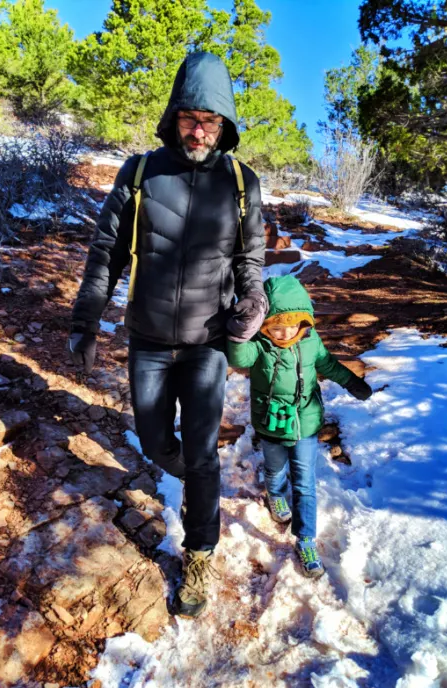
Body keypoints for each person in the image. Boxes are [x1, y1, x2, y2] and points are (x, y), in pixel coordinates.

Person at [68, 52, 267, 617]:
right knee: (157, 443)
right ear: (174, 117)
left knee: (200, 451)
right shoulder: (139, 173)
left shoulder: (241, 183)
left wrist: (252, 300)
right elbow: (105, 252)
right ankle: (195, 472)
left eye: (209, 119)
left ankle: (200, 549)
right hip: (149, 340)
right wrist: (85, 322)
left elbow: (251, 261)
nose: (199, 129)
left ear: (224, 122)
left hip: (207, 343)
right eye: (189, 117)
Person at [228, 275, 372, 578]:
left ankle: (305, 540)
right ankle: (276, 494)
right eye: (275, 325)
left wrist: (353, 383)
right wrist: (240, 331)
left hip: (305, 424)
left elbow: (328, 364)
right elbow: (238, 355)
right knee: (275, 469)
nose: (284, 332)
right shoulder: (259, 345)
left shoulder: (310, 341)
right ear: (264, 323)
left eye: (291, 325)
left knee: (306, 483)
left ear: (304, 321)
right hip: (270, 424)